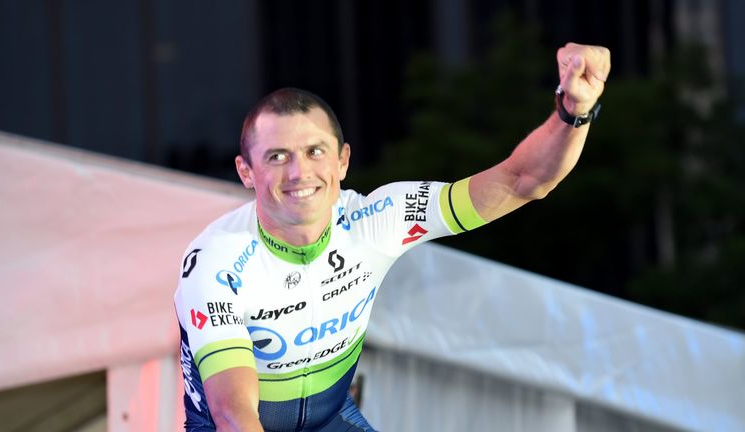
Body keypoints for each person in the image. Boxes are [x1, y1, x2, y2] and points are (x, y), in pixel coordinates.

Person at [174, 42, 611, 431]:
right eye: (277, 156)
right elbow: (234, 416)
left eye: (314, 152)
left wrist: (573, 113)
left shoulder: (377, 220)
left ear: (343, 162)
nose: (298, 173)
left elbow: (522, 181)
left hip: (329, 418)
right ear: (245, 172)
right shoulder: (217, 261)